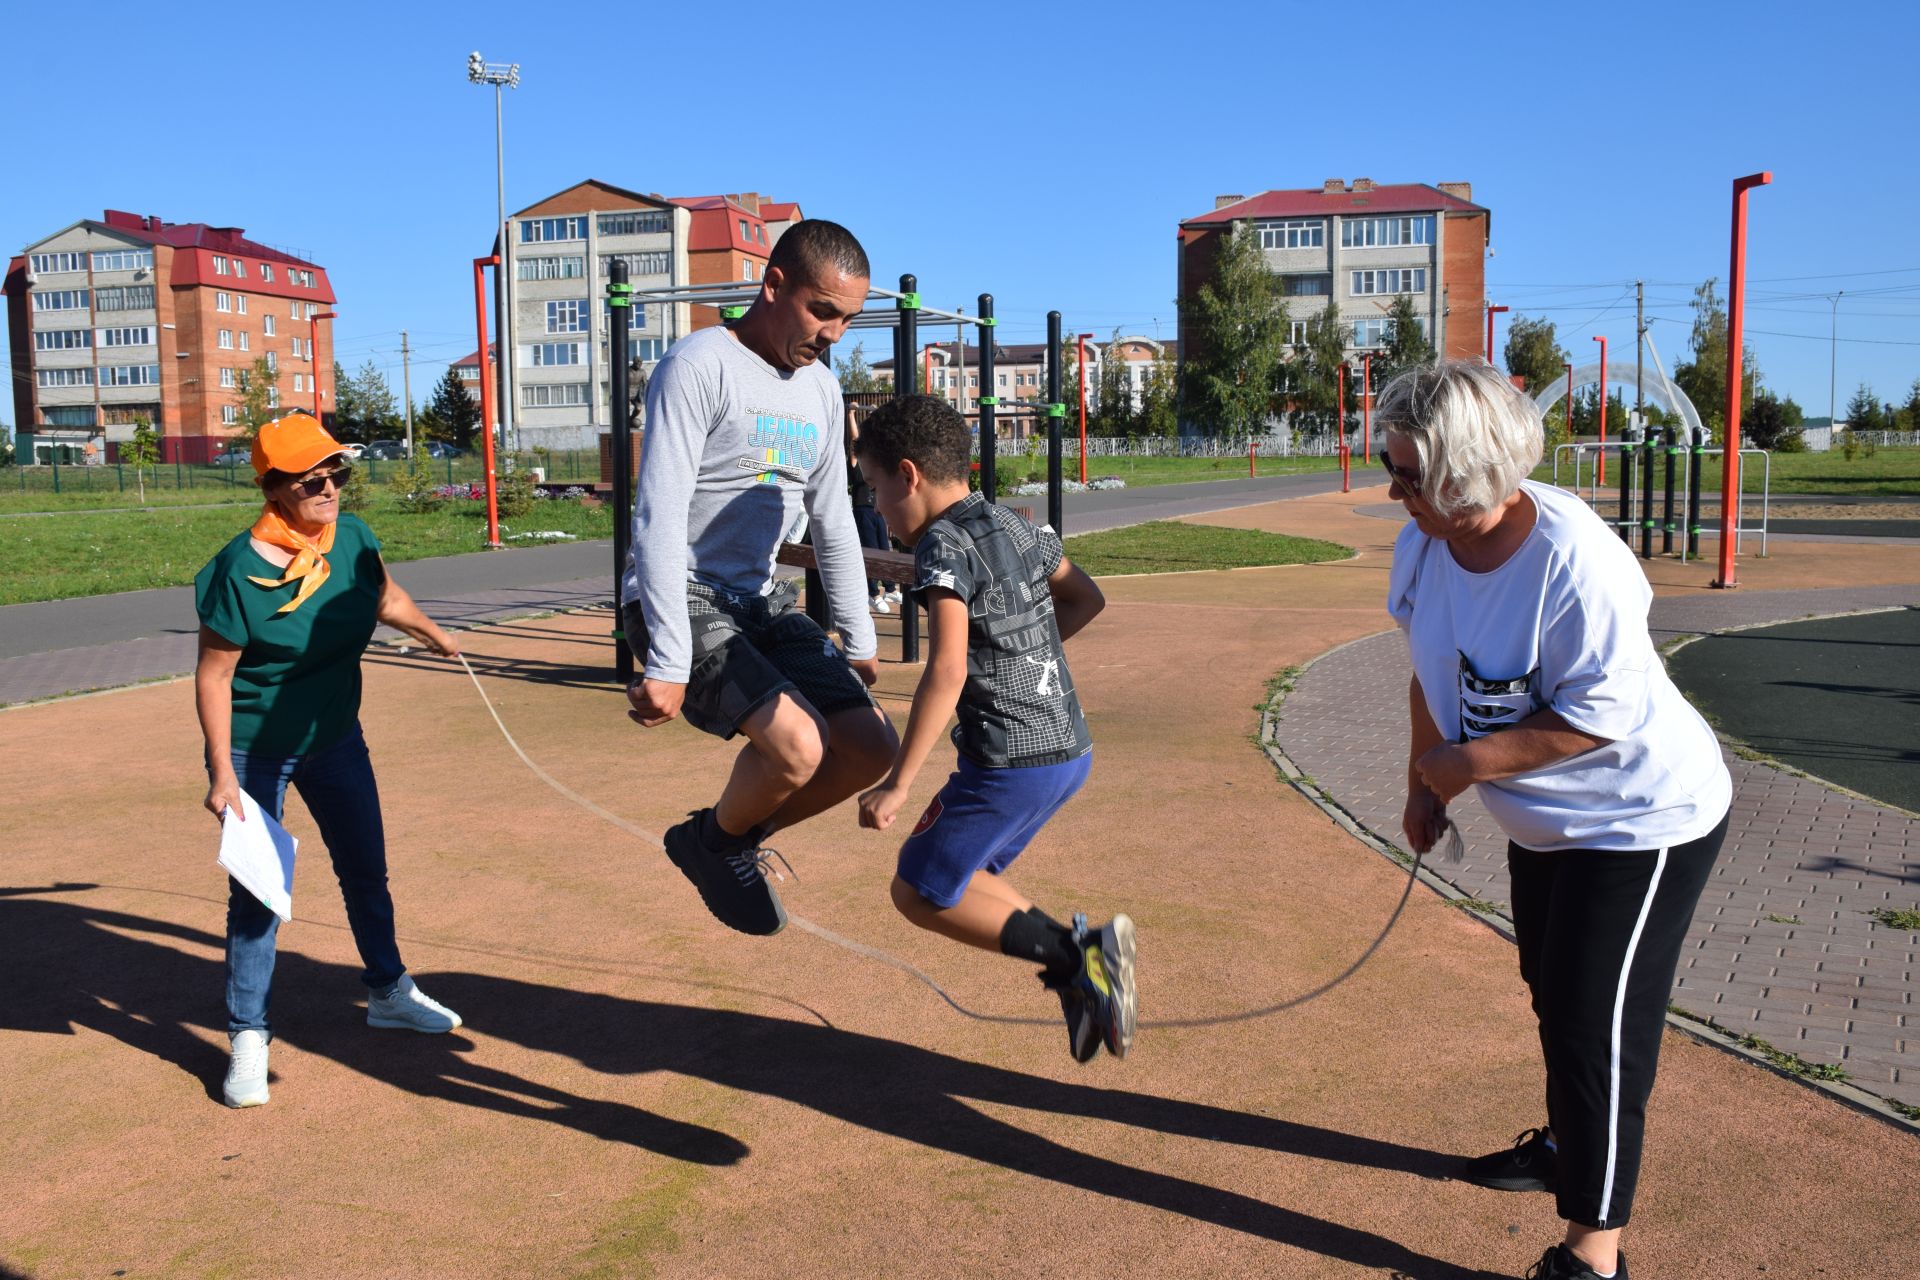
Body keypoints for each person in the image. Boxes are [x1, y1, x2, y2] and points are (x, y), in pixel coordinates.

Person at [1379, 362, 1732, 1280]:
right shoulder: (1424, 543)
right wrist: (1429, 783)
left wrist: (1461, 765)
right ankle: (1571, 1149)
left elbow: (1598, 715)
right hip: (1545, 825)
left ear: (1469, 477)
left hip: (1643, 818)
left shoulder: (1576, 561)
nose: (1394, 489)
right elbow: (1431, 665)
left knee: (1595, 1024)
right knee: (1554, 989)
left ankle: (1594, 1253)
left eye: (1411, 475)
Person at [623, 220, 898, 937]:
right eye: (822, 311)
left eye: (848, 318)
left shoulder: (820, 390)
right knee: (799, 745)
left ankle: (717, 844)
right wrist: (667, 659)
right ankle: (720, 842)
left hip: (755, 599)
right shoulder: (698, 365)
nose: (834, 333)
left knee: (872, 747)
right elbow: (657, 514)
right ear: (773, 285)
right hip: (677, 595)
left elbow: (835, 517)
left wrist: (861, 635)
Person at [194, 410, 466, 1110]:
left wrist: (440, 638)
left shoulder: (353, 539)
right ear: (274, 487)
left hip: (335, 735)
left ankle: (388, 992)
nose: (330, 487)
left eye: (337, 471)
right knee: (259, 895)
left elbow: (385, 597)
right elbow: (215, 675)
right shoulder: (238, 569)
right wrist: (222, 772)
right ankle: (248, 1036)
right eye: (311, 478)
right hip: (256, 748)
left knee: (365, 869)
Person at [852, 395, 1134, 1063]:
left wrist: (897, 784)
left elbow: (946, 671)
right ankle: (1079, 973)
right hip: (1068, 750)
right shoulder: (1015, 524)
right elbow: (1086, 597)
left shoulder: (941, 547)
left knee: (918, 890)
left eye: (874, 489)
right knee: (967, 878)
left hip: (1009, 763)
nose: (878, 509)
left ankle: (1080, 958)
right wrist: (1024, 657)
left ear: (908, 475)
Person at [846, 402, 902, 614]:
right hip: (862, 511)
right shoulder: (856, 463)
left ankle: (889, 589)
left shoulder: (874, 463)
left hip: (876, 510)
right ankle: (872, 594)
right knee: (870, 552)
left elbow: (878, 440)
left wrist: (876, 416)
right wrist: (851, 414)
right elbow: (855, 441)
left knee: (884, 549)